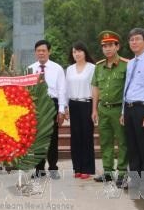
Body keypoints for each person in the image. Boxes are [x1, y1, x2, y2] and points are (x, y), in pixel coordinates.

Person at [120, 28, 144, 191]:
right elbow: (126, 88)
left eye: (137, 39)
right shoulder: (130, 63)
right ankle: (135, 180)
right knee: (132, 146)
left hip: (142, 109)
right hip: (129, 108)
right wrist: (123, 111)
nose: (134, 42)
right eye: (131, 40)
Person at [91, 31, 129, 187]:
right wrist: (94, 109)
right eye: (104, 46)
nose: (107, 49)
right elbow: (95, 88)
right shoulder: (99, 67)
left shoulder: (126, 65)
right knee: (105, 141)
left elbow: (129, 89)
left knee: (122, 142)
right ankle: (107, 172)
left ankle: (122, 173)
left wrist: (124, 111)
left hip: (118, 109)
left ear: (117, 46)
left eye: (110, 45)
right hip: (103, 108)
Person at [28, 40, 66, 179]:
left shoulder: (57, 68)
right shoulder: (30, 69)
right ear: (35, 52)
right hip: (36, 105)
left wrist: (61, 110)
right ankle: (39, 169)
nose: (41, 53)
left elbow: (62, 90)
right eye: (38, 50)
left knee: (52, 138)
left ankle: (53, 168)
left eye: (44, 50)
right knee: (37, 138)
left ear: (49, 52)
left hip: (52, 103)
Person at [65, 42, 96, 179]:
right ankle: (77, 167)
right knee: (75, 137)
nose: (77, 54)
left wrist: (95, 109)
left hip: (86, 104)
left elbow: (95, 89)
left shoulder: (92, 68)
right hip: (73, 104)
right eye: (74, 52)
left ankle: (87, 168)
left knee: (87, 136)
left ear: (85, 52)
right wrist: (65, 106)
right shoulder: (69, 69)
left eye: (79, 51)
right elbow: (66, 89)